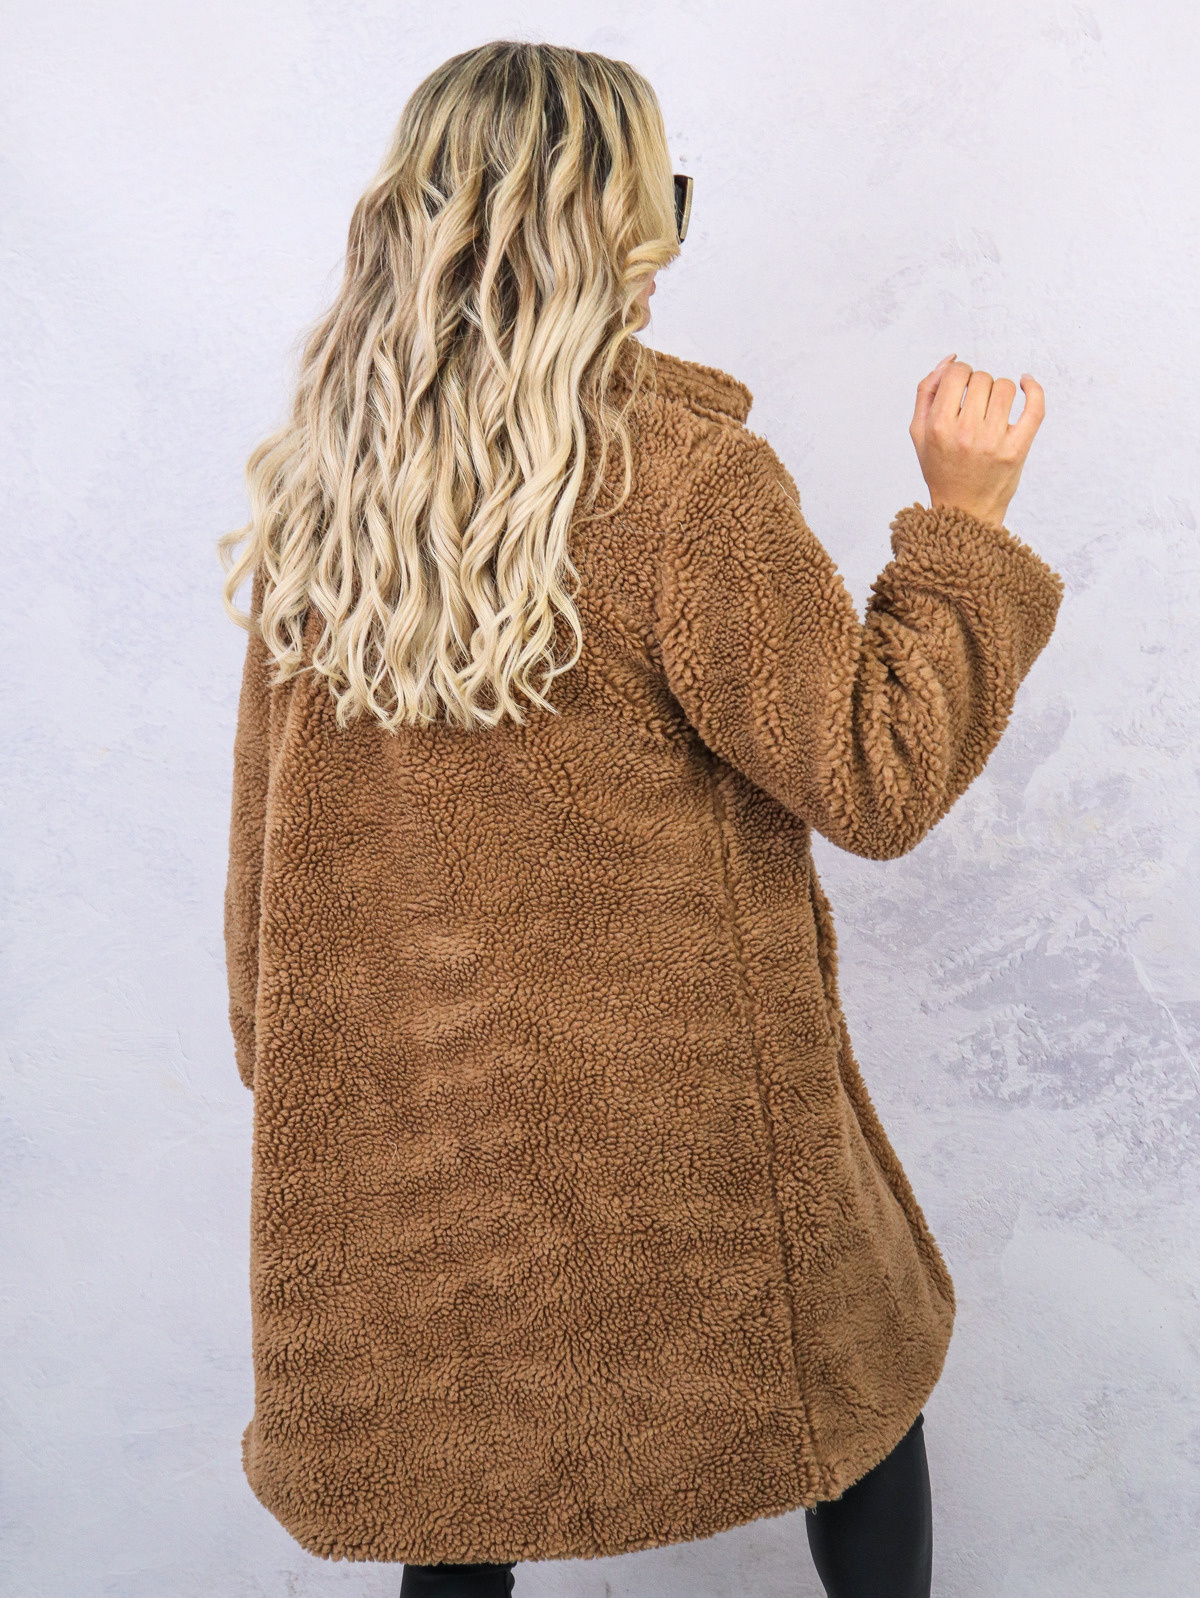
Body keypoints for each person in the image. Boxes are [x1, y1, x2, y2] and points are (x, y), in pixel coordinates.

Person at [219, 41, 1061, 1598]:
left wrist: (307, 1083)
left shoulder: (324, 498)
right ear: (591, 219)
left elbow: (267, 860)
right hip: (693, 1134)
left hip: (424, 1129)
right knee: (857, 1398)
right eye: (651, 193)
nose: (666, 239)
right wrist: (963, 527)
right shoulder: (683, 485)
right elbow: (875, 774)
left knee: (454, 1482)